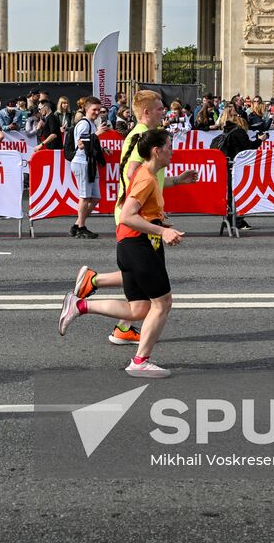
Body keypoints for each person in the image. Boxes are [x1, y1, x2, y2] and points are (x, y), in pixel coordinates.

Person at [70, 90, 198, 346]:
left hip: (143, 216)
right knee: (151, 284)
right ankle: (95, 289)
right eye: (160, 108)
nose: (165, 112)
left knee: (141, 277)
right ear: (147, 112)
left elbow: (150, 180)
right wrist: (150, 212)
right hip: (136, 219)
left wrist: (176, 181)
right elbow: (133, 174)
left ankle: (115, 317)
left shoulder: (146, 135)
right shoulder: (141, 136)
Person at [59, 129, 183, 378]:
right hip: (139, 246)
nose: (172, 150)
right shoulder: (147, 177)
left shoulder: (149, 173)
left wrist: (161, 220)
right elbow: (127, 216)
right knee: (162, 303)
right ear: (157, 151)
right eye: (169, 146)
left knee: (138, 310)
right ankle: (140, 361)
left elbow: (143, 211)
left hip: (133, 246)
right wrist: (162, 231)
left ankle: (81, 305)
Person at [217, 104, 264, 230]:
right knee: (236, 193)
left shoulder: (227, 131)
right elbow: (248, 147)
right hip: (235, 166)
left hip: (227, 165)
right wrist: (260, 140)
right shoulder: (238, 132)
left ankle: (231, 219)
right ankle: (237, 221)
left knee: (231, 193)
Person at [69, 97, 105, 239]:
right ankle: (81, 227)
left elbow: (90, 143)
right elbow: (81, 144)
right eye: (94, 109)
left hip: (89, 162)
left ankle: (78, 224)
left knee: (96, 197)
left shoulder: (91, 123)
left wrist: (103, 148)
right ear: (86, 109)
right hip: (82, 162)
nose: (97, 112)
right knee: (84, 197)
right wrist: (97, 135)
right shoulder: (84, 124)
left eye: (98, 109)